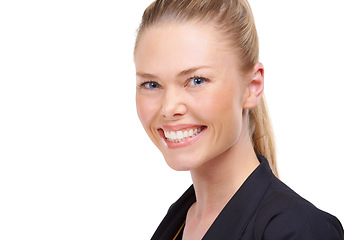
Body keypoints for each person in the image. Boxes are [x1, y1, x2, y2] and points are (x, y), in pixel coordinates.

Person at [134, 0, 344, 239]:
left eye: (197, 80)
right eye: (151, 84)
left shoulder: (297, 230)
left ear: (252, 87)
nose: (169, 107)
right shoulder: (179, 220)